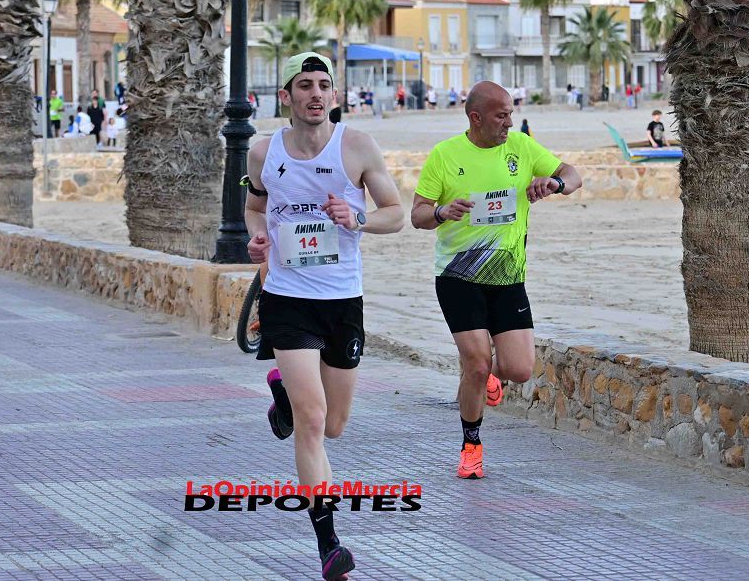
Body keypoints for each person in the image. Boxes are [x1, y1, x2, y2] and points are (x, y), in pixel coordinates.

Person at [244, 51, 403, 581]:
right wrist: (256, 238)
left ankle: (284, 393)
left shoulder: (355, 146)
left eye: (324, 85)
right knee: (311, 425)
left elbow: (396, 214)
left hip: (342, 299)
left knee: (334, 426)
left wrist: (358, 217)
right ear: (285, 95)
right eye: (305, 85)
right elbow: (254, 206)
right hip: (287, 298)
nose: (316, 94)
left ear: (334, 95)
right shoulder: (262, 152)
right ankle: (329, 543)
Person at [410, 81, 582, 480]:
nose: (509, 121)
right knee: (475, 362)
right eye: (501, 115)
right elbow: (417, 214)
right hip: (458, 275)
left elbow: (573, 175)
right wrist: (441, 213)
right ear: (476, 117)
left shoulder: (521, 147)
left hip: (507, 277)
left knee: (519, 370)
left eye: (510, 112)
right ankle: (471, 446)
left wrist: (554, 184)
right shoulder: (445, 155)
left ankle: (485, 373)